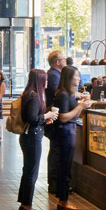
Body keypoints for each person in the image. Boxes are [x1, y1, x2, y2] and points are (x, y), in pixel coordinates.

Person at [14, 69, 59, 210]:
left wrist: (44, 119)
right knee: (31, 171)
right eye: (45, 80)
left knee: (28, 170)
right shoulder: (34, 96)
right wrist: (47, 115)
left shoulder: (29, 94)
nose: (47, 83)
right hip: (32, 137)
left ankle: (24, 203)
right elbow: (32, 119)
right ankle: (27, 206)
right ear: (39, 81)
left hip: (29, 136)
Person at [49, 65, 93, 210]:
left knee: (66, 167)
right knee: (64, 167)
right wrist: (80, 106)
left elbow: (73, 115)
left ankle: (63, 199)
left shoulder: (68, 94)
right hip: (65, 133)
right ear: (69, 78)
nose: (79, 78)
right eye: (76, 76)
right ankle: (63, 201)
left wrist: (82, 106)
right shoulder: (63, 95)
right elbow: (63, 117)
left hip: (68, 132)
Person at [45, 50, 67, 194]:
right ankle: (54, 183)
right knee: (56, 151)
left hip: (53, 117)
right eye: (63, 59)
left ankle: (54, 182)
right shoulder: (54, 75)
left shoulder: (55, 74)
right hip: (54, 118)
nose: (65, 61)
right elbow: (57, 93)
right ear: (57, 62)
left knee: (55, 150)